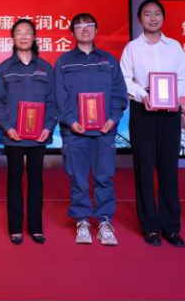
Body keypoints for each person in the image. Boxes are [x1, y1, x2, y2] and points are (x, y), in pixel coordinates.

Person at [120, 0, 185, 247]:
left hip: (170, 113)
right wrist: (144, 96)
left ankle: (171, 227)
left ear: (163, 18)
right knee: (144, 168)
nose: (153, 18)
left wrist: (172, 97)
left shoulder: (175, 47)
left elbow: (184, 80)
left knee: (169, 168)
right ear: (140, 19)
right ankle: (150, 226)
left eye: (157, 13)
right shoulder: (132, 48)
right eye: (147, 14)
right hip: (143, 111)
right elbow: (124, 79)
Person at [55, 12, 128, 246]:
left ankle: (105, 221)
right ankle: (82, 221)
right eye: (79, 26)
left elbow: (119, 93)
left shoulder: (109, 60)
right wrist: (70, 120)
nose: (85, 29)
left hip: (104, 131)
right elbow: (58, 96)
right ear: (72, 32)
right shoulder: (64, 62)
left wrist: (113, 118)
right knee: (78, 179)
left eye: (89, 25)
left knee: (104, 178)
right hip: (74, 132)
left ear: (96, 30)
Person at [0, 19, 57, 245]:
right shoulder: (4, 68)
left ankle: (36, 227)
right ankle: (15, 227)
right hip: (14, 136)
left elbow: (52, 101)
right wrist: (7, 127)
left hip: (39, 136)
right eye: (19, 33)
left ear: (34, 37)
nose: (23, 36)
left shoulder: (46, 68)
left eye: (28, 32)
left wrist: (48, 126)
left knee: (36, 180)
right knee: (15, 180)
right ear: (13, 38)